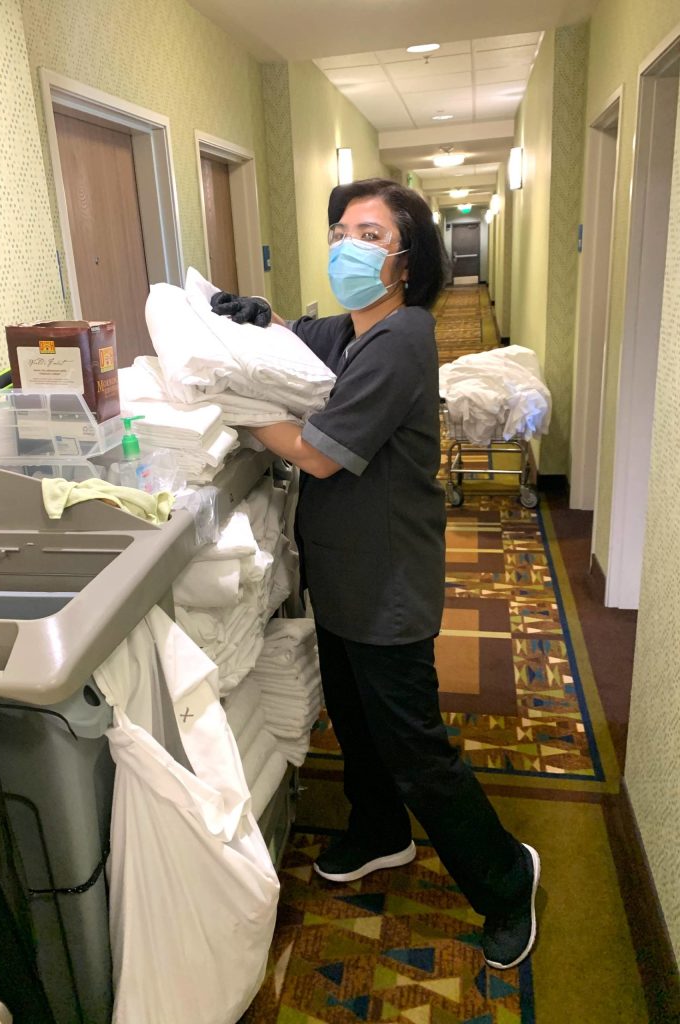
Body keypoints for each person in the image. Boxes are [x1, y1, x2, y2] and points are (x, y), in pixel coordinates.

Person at [210, 178, 540, 971]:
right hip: (344, 572)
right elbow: (297, 339)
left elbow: (317, 452)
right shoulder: (355, 331)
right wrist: (256, 319)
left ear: (404, 258)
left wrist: (228, 401)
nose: (345, 245)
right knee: (355, 720)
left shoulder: (404, 336)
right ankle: (380, 832)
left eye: (368, 233)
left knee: (414, 745)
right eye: (339, 230)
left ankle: (505, 878)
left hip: (388, 582)